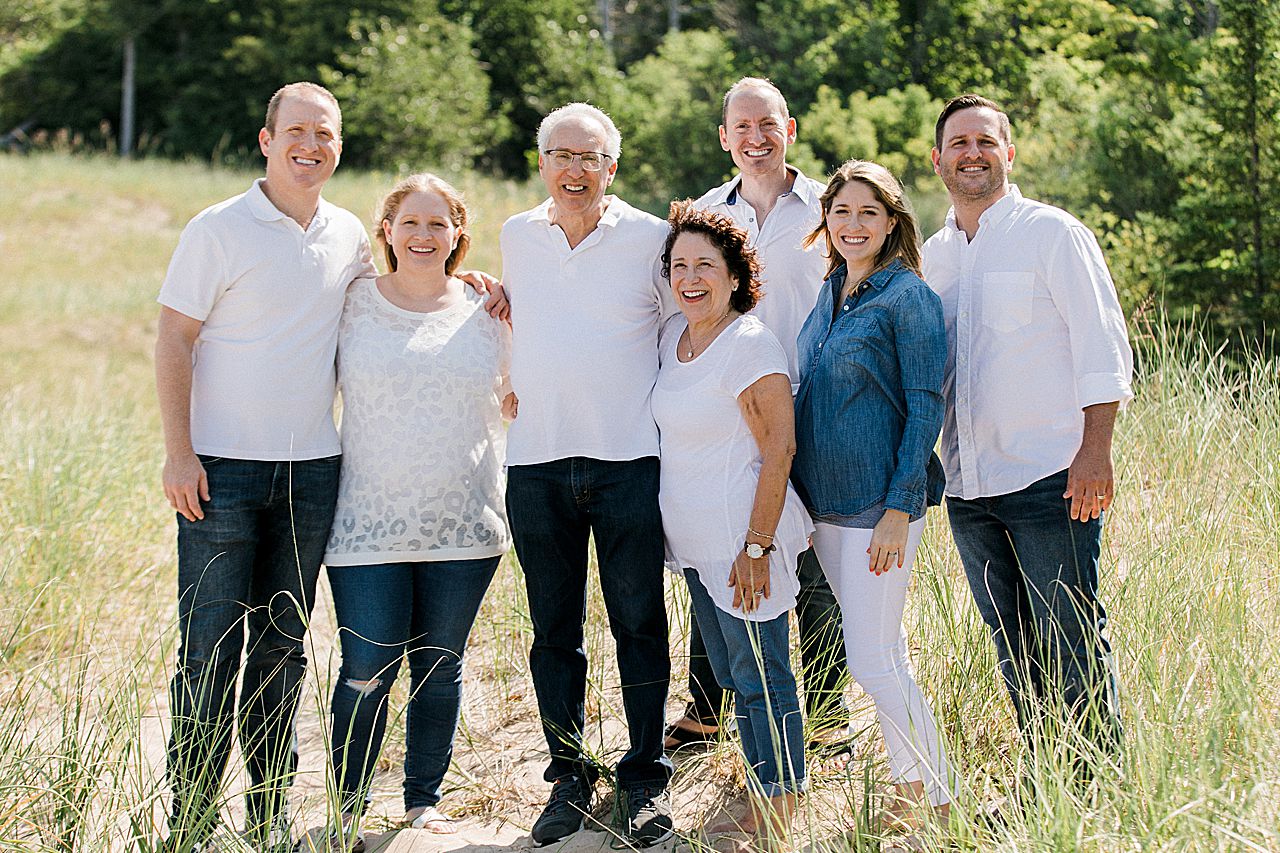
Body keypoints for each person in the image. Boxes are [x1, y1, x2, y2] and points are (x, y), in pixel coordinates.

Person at [154, 82, 375, 852]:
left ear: (338, 145)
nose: (311, 146)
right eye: (297, 132)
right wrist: (179, 453)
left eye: (327, 134)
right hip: (220, 471)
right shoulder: (217, 229)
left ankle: (271, 812)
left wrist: (473, 285)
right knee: (210, 649)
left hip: (313, 470)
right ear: (266, 139)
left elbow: (384, 309)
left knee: (283, 646)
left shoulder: (349, 234)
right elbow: (174, 337)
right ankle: (190, 817)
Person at [922, 94, 1133, 762]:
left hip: (1051, 477)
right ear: (937, 160)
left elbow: (1103, 347)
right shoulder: (932, 257)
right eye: (958, 143)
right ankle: (1046, 782)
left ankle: (1096, 785)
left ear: (1008, 153)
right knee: (1014, 646)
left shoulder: (1053, 233)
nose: (972, 153)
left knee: (1071, 635)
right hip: (968, 488)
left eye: (986, 141)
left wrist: (1094, 451)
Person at [499, 102, 675, 848]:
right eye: (561, 154)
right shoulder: (515, 235)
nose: (575, 169)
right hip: (534, 461)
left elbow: (684, 324)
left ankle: (641, 778)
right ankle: (569, 774)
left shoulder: (651, 238)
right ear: (542, 162)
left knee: (639, 622)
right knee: (553, 631)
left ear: (613, 165)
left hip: (628, 459)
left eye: (591, 156)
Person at [322, 174, 513, 852]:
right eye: (411, 222)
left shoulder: (490, 309)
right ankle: (346, 807)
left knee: (439, 664)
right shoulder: (350, 304)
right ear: (387, 231)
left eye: (439, 224)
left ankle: (421, 801)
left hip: (464, 521)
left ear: (460, 234)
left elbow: (523, 393)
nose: (425, 235)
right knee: (366, 667)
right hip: (365, 521)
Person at [663, 76, 850, 754]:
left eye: (767, 124)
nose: (755, 137)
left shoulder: (830, 209)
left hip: (815, 407)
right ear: (723, 137)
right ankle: (708, 704)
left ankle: (827, 713)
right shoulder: (706, 214)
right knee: (715, 549)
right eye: (740, 126)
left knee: (816, 561)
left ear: (789, 129)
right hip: (725, 410)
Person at [792, 160, 954, 833]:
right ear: (825, 220)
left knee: (870, 659)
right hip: (823, 503)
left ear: (892, 222)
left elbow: (925, 405)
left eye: (868, 213)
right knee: (885, 656)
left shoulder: (907, 297)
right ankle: (909, 784)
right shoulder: (832, 287)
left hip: (877, 508)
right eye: (841, 212)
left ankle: (939, 796)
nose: (852, 225)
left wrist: (899, 504)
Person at [653, 201, 810, 840]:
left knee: (761, 677)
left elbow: (780, 448)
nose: (691, 277)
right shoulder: (675, 338)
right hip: (693, 545)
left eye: (706, 265)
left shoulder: (750, 344)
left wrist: (756, 545)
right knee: (729, 677)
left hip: (742, 542)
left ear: (735, 274)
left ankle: (780, 806)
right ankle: (760, 781)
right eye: (680, 265)